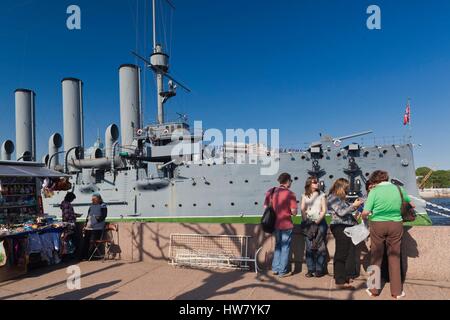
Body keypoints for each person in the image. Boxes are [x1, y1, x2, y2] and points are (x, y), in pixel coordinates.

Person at [362, 170, 415, 299]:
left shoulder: (374, 191)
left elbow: (366, 212)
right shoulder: (399, 189)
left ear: (375, 180)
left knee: (375, 256)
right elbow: (410, 203)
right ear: (386, 178)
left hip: (377, 225)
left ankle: (373, 289)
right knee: (395, 257)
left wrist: (367, 216)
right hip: (396, 224)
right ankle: (397, 292)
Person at [327, 178, 363, 289]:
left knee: (347, 252)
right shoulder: (332, 198)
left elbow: (347, 211)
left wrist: (355, 208)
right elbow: (341, 212)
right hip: (339, 227)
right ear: (340, 188)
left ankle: (344, 275)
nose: (347, 190)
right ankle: (339, 279)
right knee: (341, 253)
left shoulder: (341, 199)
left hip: (347, 226)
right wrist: (354, 205)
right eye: (346, 188)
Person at [264, 173, 298, 278]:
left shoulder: (271, 191)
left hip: (274, 224)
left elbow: (265, 207)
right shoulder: (290, 194)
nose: (291, 182)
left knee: (278, 246)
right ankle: (282, 271)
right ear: (287, 181)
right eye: (291, 180)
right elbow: (294, 212)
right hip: (286, 224)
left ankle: (275, 268)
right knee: (285, 247)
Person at [301, 177, 328, 278]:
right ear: (309, 184)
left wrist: (317, 222)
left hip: (320, 223)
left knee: (321, 247)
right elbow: (303, 209)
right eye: (315, 182)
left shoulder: (322, 195)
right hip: (308, 223)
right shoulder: (304, 195)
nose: (317, 184)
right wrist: (306, 221)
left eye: (317, 182)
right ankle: (310, 269)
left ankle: (319, 270)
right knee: (308, 248)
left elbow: (324, 210)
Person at [80, 193, 108, 260]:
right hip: (89, 227)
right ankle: (83, 256)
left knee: (92, 241)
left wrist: (95, 221)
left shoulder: (103, 205)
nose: (92, 200)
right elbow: (88, 216)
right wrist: (85, 224)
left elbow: (103, 216)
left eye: (94, 199)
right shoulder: (91, 206)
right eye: (92, 199)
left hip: (97, 227)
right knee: (85, 241)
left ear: (99, 199)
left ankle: (89, 256)